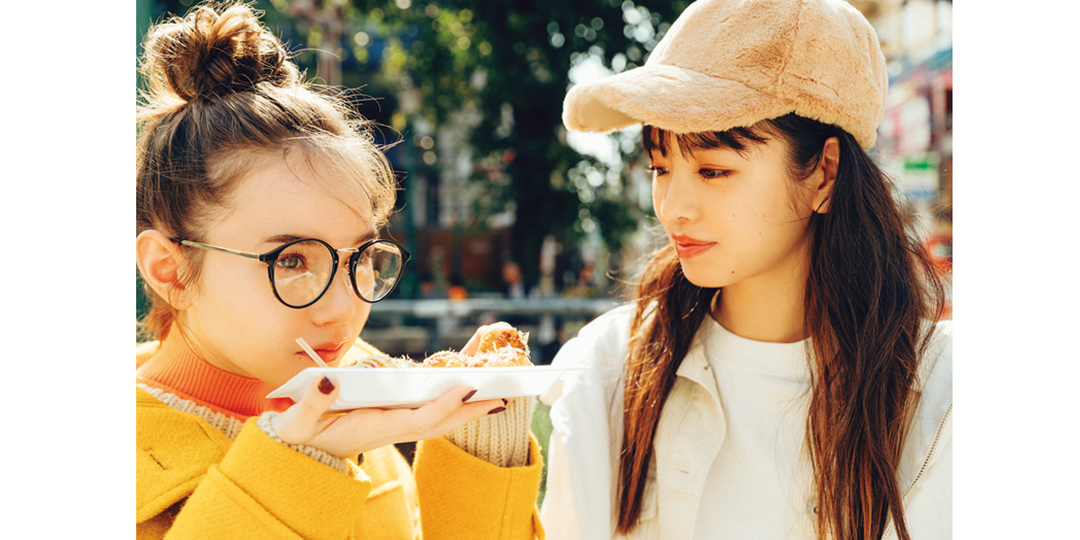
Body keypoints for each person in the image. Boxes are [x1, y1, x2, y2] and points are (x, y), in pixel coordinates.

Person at [539, 1, 951, 539]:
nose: (673, 206)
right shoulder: (610, 368)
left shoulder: (941, 389)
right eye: (661, 167)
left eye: (714, 170)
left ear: (824, 173)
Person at [134, 3, 541, 538]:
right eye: (292, 260)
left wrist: (482, 451)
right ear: (170, 271)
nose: (345, 308)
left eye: (359, 259)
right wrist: (298, 458)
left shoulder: (367, 394)